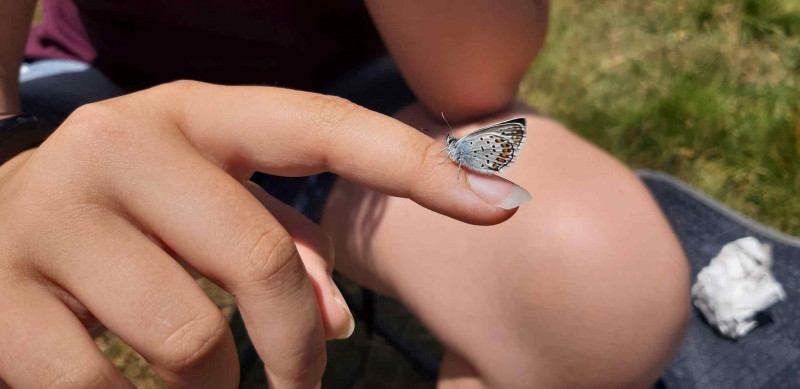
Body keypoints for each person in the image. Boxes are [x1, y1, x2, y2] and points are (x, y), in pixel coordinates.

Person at [0, 0, 690, 388]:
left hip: (356, 93)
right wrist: (9, 160)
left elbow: (472, 77)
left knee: (598, 290)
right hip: (96, 84)